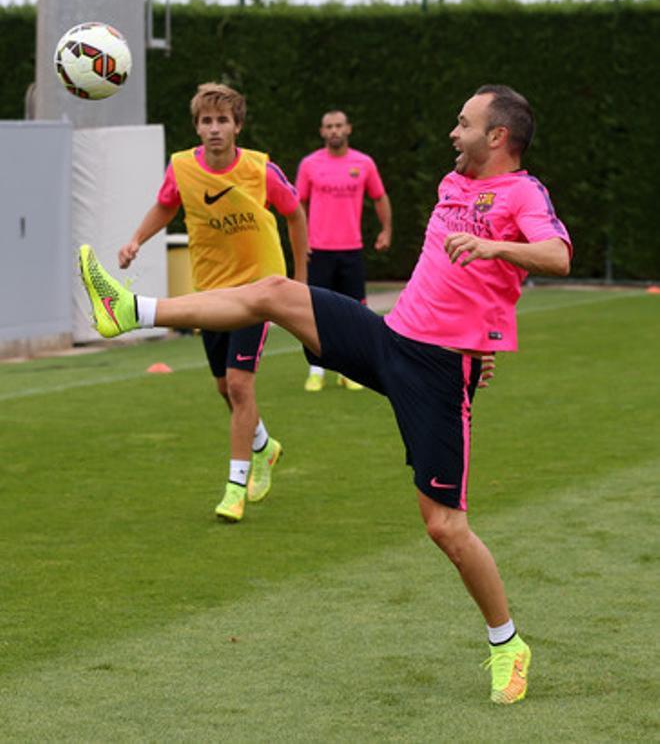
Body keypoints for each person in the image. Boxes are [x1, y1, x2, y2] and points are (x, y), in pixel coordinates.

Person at [79, 84, 571, 704]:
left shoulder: (522, 193)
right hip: (391, 339)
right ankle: (131, 309)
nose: (453, 131)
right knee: (274, 292)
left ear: (498, 137)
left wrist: (492, 256)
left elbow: (556, 254)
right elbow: (457, 285)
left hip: (439, 375)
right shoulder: (454, 184)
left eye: (464, 123)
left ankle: (508, 643)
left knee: (444, 526)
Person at [116, 82, 308, 523]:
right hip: (211, 293)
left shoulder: (261, 170)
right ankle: (264, 446)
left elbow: (294, 213)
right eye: (207, 121)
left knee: (241, 385)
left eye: (223, 120)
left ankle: (235, 488)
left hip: (259, 292)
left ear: (237, 126)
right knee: (225, 387)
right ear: (198, 128)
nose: (215, 128)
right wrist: (135, 241)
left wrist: (299, 279)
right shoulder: (182, 168)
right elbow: (166, 206)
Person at [296, 110, 392, 391]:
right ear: (322, 132)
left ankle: (349, 372)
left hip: (351, 250)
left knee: (355, 313)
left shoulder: (363, 163)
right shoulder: (310, 164)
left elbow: (379, 197)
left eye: (339, 125)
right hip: (318, 251)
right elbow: (296, 205)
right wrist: (301, 243)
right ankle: (316, 370)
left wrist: (386, 230)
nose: (334, 130)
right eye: (329, 126)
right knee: (314, 314)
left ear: (348, 128)